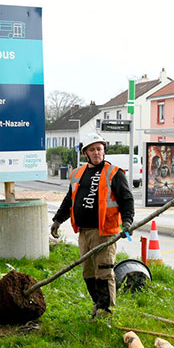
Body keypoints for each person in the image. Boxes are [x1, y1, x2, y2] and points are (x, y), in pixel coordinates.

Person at [50, 131, 135, 317]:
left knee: (104, 271)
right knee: (88, 272)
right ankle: (97, 303)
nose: (97, 152)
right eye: (93, 150)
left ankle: (106, 310)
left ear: (104, 151)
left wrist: (128, 222)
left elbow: (127, 199)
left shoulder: (114, 173)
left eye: (100, 149)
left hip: (105, 231)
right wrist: (57, 220)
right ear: (85, 153)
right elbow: (69, 200)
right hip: (84, 232)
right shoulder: (77, 174)